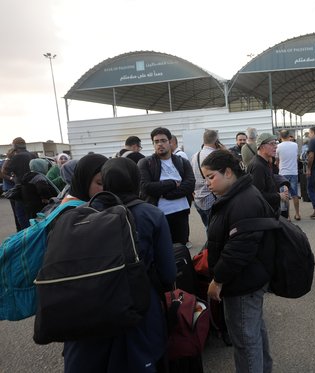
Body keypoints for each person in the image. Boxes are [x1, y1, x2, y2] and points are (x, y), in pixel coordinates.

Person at [63, 157, 176, 373]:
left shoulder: (78, 215)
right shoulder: (151, 214)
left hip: (87, 311)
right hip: (138, 308)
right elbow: (168, 273)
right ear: (136, 181)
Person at [202, 149, 275, 373]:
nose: (207, 184)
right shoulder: (238, 195)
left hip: (242, 282)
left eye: (211, 177)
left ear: (228, 172)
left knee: (245, 340)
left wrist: (219, 279)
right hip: (247, 278)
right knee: (253, 332)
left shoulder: (243, 201)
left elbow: (239, 250)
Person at [138, 127, 195, 245]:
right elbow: (146, 187)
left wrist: (167, 194)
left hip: (181, 212)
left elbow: (190, 184)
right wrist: (173, 183)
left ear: (170, 142)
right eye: (156, 141)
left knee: (181, 248)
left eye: (163, 140)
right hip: (159, 214)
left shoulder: (182, 161)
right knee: (162, 249)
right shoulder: (146, 163)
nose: (160, 144)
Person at [246, 133, 288, 213]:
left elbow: (269, 180)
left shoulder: (265, 162)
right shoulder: (258, 166)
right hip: (264, 214)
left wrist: (281, 184)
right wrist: (279, 196)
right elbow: (257, 195)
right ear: (261, 147)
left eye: (276, 143)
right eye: (272, 144)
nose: (276, 146)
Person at [2, 137, 37, 230]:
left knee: (21, 215)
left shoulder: (16, 157)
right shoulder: (33, 155)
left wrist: (12, 178)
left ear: (14, 146)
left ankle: (23, 236)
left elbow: (3, 172)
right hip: (35, 189)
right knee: (33, 215)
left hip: (21, 190)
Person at [191, 129, 222, 228]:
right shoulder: (214, 156)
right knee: (216, 230)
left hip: (198, 199)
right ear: (217, 141)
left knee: (208, 228)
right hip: (212, 200)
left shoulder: (195, 155)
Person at [276, 129, 301, 220]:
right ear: (289, 135)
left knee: (285, 195)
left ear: (280, 136)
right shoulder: (295, 145)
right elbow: (297, 157)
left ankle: (288, 216)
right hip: (294, 172)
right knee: (294, 194)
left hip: (283, 173)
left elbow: (277, 160)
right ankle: (297, 214)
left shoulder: (278, 146)